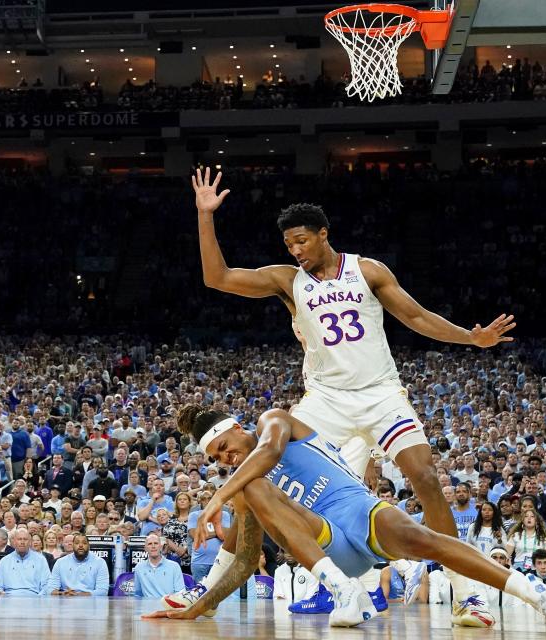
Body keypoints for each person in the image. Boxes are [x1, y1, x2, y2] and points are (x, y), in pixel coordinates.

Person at [186, 167, 516, 625]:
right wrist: (205, 216)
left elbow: (417, 317)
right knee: (264, 476)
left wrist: (470, 338)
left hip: (380, 393)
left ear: (324, 234)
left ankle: (465, 593)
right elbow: (216, 277)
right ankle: (213, 583)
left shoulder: (367, 270)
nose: (296, 251)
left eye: (302, 241)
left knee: (423, 475)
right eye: (289, 245)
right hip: (325, 400)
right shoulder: (288, 280)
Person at [149, 406, 546, 634]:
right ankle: (346, 593)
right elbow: (244, 559)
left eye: (224, 446)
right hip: (325, 545)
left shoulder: (273, 422)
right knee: (251, 489)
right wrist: (200, 607)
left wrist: (216, 497)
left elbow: (270, 452)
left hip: (357, 511)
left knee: (422, 539)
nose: (226, 458)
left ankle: (541, 597)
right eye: (217, 459)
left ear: (236, 427)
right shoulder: (246, 486)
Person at [0, 529, 51, 596]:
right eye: (19, 539)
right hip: (9, 599)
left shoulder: (41, 560)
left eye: (25, 539)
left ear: (30, 542)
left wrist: (40, 598)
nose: (22, 542)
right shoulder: (4, 561)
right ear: (14, 542)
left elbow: (47, 585)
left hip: (34, 598)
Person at [134, 533, 185, 599]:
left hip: (168, 607)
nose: (153, 546)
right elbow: (138, 594)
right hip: (147, 608)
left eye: (156, 543)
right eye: (150, 544)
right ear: (145, 548)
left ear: (161, 547)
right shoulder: (139, 567)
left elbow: (180, 593)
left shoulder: (174, 566)